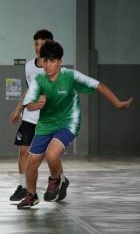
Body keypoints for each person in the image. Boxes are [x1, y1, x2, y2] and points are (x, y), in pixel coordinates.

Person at [17, 40, 133, 209]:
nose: (48, 65)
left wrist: (117, 103)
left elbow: (98, 85)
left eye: (52, 60)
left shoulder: (71, 76)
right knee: (32, 163)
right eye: (45, 61)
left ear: (60, 62)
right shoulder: (39, 80)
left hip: (68, 122)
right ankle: (31, 195)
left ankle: (55, 179)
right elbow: (28, 104)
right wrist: (38, 105)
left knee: (52, 154)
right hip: (45, 125)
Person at [9, 29, 70, 203]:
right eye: (36, 44)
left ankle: (61, 180)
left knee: (52, 155)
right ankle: (23, 187)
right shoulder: (28, 66)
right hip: (30, 116)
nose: (38, 48)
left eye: (42, 44)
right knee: (23, 151)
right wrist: (18, 108)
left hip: (49, 119)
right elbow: (29, 90)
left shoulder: (55, 66)